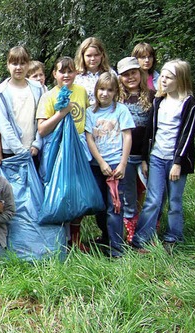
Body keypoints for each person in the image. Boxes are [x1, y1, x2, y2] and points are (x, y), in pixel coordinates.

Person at [132, 59, 195, 253]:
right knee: (153, 198)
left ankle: (173, 237)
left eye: (169, 77)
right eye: (163, 76)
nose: (163, 80)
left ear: (181, 79)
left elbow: (187, 136)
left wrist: (178, 163)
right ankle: (141, 238)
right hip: (157, 158)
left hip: (176, 160)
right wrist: (145, 158)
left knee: (175, 201)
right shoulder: (158, 101)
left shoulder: (191, 104)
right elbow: (150, 133)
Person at [36, 56, 90, 250]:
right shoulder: (49, 96)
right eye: (62, 71)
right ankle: (58, 238)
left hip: (80, 149)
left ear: (76, 72)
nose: (66, 75)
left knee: (77, 192)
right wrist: (61, 113)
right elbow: (42, 130)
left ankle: (75, 237)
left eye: (70, 71)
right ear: (54, 74)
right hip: (56, 151)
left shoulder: (82, 92)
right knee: (59, 192)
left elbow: (87, 118)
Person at [85, 72, 135, 257]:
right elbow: (89, 138)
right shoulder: (90, 112)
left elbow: (127, 136)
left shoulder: (121, 110)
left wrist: (122, 164)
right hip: (97, 165)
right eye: (101, 89)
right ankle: (105, 237)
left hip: (116, 164)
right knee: (100, 205)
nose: (104, 93)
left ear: (115, 92)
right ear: (96, 90)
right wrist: (100, 161)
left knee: (115, 206)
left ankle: (117, 249)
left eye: (109, 90)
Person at [116, 56, 155, 243]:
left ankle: (147, 231)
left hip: (146, 155)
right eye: (125, 75)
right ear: (120, 78)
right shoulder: (117, 98)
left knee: (148, 195)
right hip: (125, 156)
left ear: (140, 73)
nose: (130, 77)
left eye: (133, 73)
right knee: (128, 196)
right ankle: (130, 233)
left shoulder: (152, 97)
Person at [0, 46, 44, 169]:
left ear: (28, 65)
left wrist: (37, 144)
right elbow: (3, 124)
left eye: (22, 63)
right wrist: (20, 150)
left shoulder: (38, 88)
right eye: (14, 63)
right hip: (11, 152)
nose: (18, 67)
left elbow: (42, 118)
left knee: (37, 187)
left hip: (34, 149)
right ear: (8, 65)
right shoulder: (1, 91)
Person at [74, 37, 114, 106]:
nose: (93, 59)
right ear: (82, 56)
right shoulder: (76, 76)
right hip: (84, 114)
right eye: (89, 56)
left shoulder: (110, 73)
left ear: (102, 55)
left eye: (96, 55)